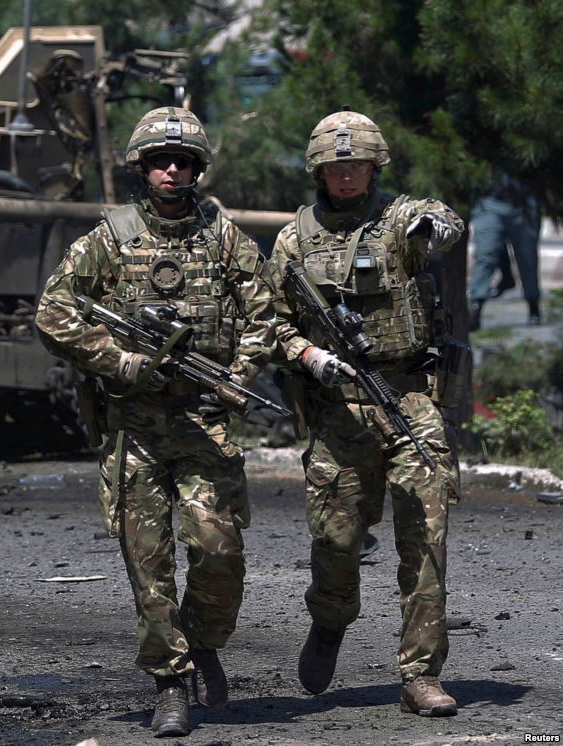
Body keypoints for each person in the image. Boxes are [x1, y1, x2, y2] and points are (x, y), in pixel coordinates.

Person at [35, 106, 275, 737]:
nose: (173, 170)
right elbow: (53, 313)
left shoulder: (224, 239)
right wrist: (121, 361)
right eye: (161, 161)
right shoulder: (107, 240)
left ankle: (204, 642)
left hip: (204, 423)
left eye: (184, 162)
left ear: (197, 169)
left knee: (219, 551)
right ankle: (170, 681)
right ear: (142, 168)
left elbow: (265, 315)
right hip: (134, 428)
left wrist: (238, 375)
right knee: (149, 563)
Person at [266, 111, 464, 717]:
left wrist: (435, 226)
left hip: (409, 401)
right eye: (334, 166)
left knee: (425, 540)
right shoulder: (293, 240)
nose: (346, 175)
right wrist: (309, 354)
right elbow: (267, 323)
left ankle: (420, 675)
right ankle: (329, 622)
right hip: (339, 412)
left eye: (355, 164)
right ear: (318, 172)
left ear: (374, 166)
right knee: (336, 543)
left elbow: (443, 224)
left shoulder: (400, 221)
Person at [468, 171, 542, 329]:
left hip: (523, 198)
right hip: (489, 200)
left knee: (527, 256)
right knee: (485, 255)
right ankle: (476, 307)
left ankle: (533, 304)